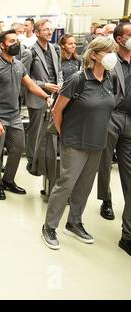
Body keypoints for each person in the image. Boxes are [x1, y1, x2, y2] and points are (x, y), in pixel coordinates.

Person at [41, 37, 118, 250]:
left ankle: (74, 222)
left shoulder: (110, 79)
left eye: (114, 51)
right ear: (94, 55)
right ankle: (49, 226)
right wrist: (64, 135)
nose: (113, 55)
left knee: (85, 185)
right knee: (66, 183)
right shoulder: (78, 79)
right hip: (74, 141)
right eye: (107, 51)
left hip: (97, 142)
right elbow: (57, 111)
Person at [0, 29, 52, 201]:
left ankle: (8, 180)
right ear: (2, 44)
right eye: (11, 41)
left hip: (14, 116)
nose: (16, 43)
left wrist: (46, 96)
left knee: (18, 148)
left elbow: (30, 85)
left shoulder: (18, 65)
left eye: (16, 40)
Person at [96, 23, 131, 256]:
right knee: (105, 162)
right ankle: (106, 200)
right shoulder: (110, 62)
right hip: (112, 117)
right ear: (119, 39)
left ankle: (127, 231)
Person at [22, 19, 63, 175]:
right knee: (36, 130)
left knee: (50, 130)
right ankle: (32, 161)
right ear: (37, 32)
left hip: (55, 94)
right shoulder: (29, 52)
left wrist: (60, 82)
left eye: (50, 29)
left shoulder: (55, 49)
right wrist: (44, 85)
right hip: (37, 96)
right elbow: (24, 78)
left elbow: (58, 70)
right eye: (45, 29)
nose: (49, 32)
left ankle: (44, 158)